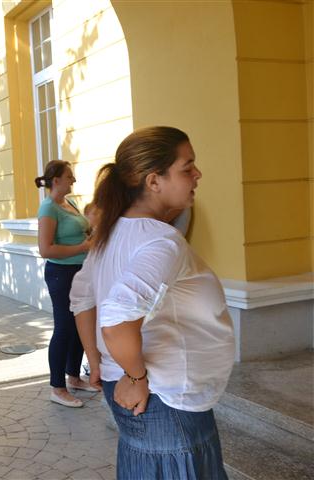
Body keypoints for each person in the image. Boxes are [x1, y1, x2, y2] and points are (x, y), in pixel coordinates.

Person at [69, 126, 234, 479]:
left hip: (144, 389)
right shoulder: (161, 242)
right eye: (187, 167)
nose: (197, 175)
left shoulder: (110, 234)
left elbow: (83, 298)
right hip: (165, 396)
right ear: (154, 180)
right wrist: (135, 375)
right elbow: (114, 316)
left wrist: (98, 362)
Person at [35, 160, 96, 408]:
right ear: (56, 180)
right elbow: (45, 249)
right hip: (62, 274)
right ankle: (57, 387)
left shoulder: (68, 203)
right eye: (69, 176)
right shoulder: (48, 208)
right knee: (64, 327)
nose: (74, 180)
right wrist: (82, 247)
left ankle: (74, 377)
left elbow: (81, 232)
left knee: (80, 324)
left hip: (81, 272)